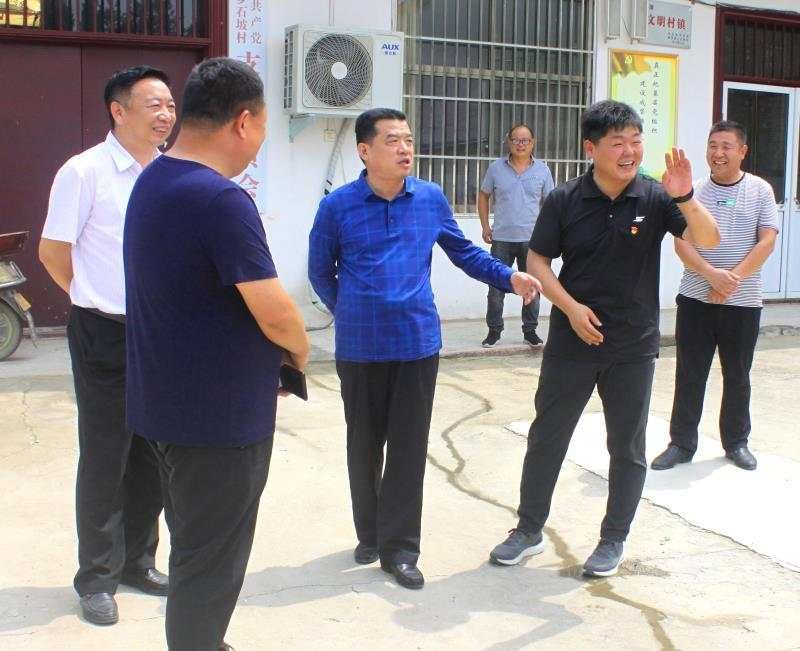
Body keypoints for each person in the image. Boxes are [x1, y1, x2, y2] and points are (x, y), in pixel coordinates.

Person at [308, 108, 541, 590]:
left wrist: (509, 276)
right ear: (365, 151)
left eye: (408, 140)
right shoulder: (338, 206)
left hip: (416, 344)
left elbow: (465, 253)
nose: (405, 149)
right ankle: (370, 534)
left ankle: (400, 550)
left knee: (409, 448)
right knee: (363, 445)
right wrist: (350, 309)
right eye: (392, 140)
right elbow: (319, 270)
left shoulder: (429, 199)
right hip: (360, 348)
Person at [488, 100, 720, 577]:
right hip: (572, 342)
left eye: (636, 142)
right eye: (618, 143)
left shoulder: (655, 197)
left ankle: (613, 540)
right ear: (591, 148)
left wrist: (685, 197)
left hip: (632, 345)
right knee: (547, 437)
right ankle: (528, 530)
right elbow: (536, 261)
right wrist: (569, 308)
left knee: (627, 447)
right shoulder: (565, 199)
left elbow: (709, 240)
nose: (629, 151)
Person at [123, 58, 309, 651]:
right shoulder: (220, 199)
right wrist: (300, 350)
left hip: (164, 406)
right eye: (263, 126)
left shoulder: (153, 179)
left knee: (194, 545)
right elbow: (274, 311)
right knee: (209, 562)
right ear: (244, 121)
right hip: (217, 422)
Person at [39, 65, 176, 626]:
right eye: (153, 105)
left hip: (159, 335)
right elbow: (53, 252)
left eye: (170, 105)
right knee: (104, 455)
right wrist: (91, 296)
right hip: (103, 331)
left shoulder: (170, 172)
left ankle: (138, 563)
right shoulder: (84, 172)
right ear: (118, 111)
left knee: (152, 454)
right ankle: (96, 577)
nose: (166, 115)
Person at [651, 121, 778, 473]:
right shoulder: (691, 192)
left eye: (726, 146)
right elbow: (681, 242)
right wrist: (711, 276)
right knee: (690, 373)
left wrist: (731, 281)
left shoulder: (760, 190)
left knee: (737, 375)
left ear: (742, 151)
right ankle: (681, 444)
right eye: (712, 145)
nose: (718, 153)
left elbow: (767, 240)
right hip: (696, 299)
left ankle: (736, 442)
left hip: (743, 302)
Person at [478, 123, 555, 348]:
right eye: (516, 140)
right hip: (501, 238)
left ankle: (530, 331)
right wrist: (485, 226)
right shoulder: (496, 168)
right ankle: (494, 330)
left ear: (533, 143)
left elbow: (551, 203)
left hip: (532, 240)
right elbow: (483, 196)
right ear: (508, 142)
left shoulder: (543, 170)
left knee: (532, 287)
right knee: (495, 287)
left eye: (525, 140)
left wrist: (548, 233)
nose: (520, 144)